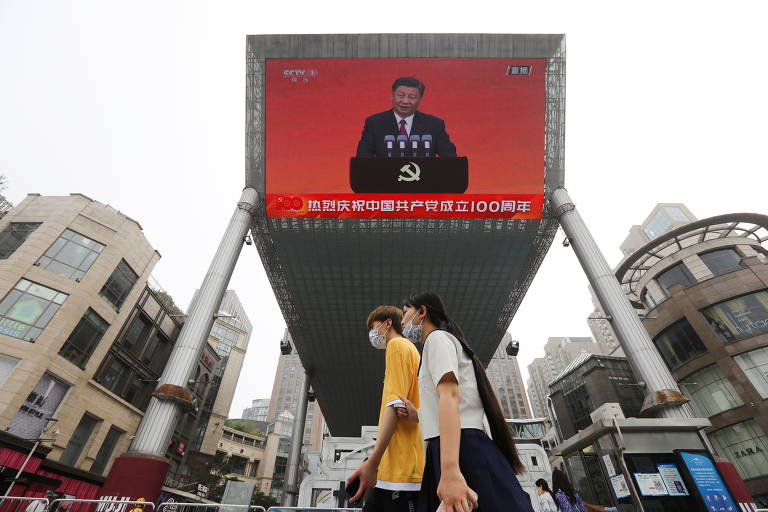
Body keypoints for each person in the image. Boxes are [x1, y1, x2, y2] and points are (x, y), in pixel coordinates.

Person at [397, 292, 533, 512]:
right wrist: (417, 415)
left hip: (459, 449)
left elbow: (450, 396)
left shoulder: (437, 339)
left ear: (422, 312)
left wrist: (450, 470)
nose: (402, 321)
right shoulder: (445, 341)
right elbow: (456, 402)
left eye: (405, 313)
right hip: (457, 445)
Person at [346, 305, 424, 512]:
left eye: (374, 327)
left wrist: (373, 461)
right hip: (398, 467)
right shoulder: (411, 350)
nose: (372, 334)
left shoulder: (397, 346)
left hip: (399, 471)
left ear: (388, 323)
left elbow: (395, 405)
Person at [356, 77, 457, 157]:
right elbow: (363, 158)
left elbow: (450, 158)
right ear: (392, 95)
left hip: (423, 181)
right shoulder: (374, 123)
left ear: (420, 99)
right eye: (400, 95)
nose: (405, 101)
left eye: (412, 97)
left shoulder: (434, 124)